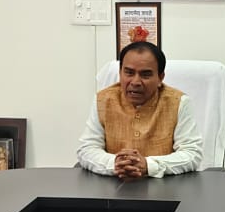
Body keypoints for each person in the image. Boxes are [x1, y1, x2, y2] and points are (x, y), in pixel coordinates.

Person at [77, 41, 204, 179]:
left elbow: (192, 153)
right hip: (112, 184)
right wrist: (116, 163)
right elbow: (87, 148)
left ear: (160, 77)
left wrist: (149, 165)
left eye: (145, 75)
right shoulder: (103, 100)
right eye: (129, 73)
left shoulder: (179, 102)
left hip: (165, 186)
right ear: (120, 73)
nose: (135, 82)